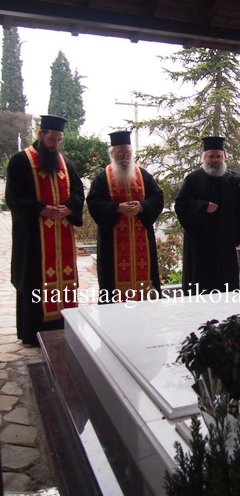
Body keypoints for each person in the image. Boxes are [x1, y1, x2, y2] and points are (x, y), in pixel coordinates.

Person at [6, 115, 85, 347]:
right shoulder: (21, 161)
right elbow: (14, 196)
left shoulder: (65, 163)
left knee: (64, 281)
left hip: (62, 235)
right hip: (33, 238)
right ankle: (32, 333)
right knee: (34, 280)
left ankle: (63, 327)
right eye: (52, 139)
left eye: (59, 140)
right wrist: (42, 209)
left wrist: (68, 208)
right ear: (41, 134)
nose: (56, 144)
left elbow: (78, 192)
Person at [87, 130, 164, 302]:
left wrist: (142, 206)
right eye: (120, 153)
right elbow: (94, 202)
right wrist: (117, 208)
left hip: (141, 240)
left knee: (147, 283)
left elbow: (158, 197)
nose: (125, 157)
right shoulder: (103, 178)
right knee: (112, 284)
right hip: (112, 242)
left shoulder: (143, 175)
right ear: (112, 154)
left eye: (128, 153)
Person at [174, 136, 240, 295]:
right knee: (200, 284)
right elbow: (180, 204)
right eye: (211, 156)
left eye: (218, 156)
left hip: (224, 243)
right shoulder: (193, 178)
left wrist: (237, 237)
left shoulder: (231, 180)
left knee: (225, 285)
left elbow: (237, 210)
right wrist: (203, 206)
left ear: (224, 157)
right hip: (199, 244)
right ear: (204, 158)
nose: (215, 160)